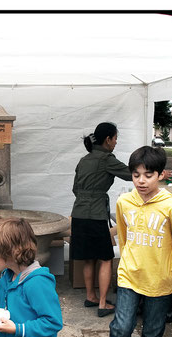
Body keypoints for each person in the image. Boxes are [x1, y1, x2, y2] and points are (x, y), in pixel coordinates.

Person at [96, 146, 172, 337]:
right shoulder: (124, 202)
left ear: (161, 175)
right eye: (136, 174)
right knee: (121, 327)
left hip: (159, 280)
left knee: (152, 330)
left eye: (148, 174)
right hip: (130, 275)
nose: (141, 180)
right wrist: (130, 260)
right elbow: (125, 237)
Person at [70, 122, 132, 317]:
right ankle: (103, 303)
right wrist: (154, 172)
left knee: (89, 258)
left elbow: (75, 189)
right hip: (95, 215)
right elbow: (131, 174)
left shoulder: (83, 160)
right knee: (105, 258)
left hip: (78, 213)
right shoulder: (106, 159)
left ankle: (91, 296)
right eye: (115, 139)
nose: (115, 142)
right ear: (108, 139)